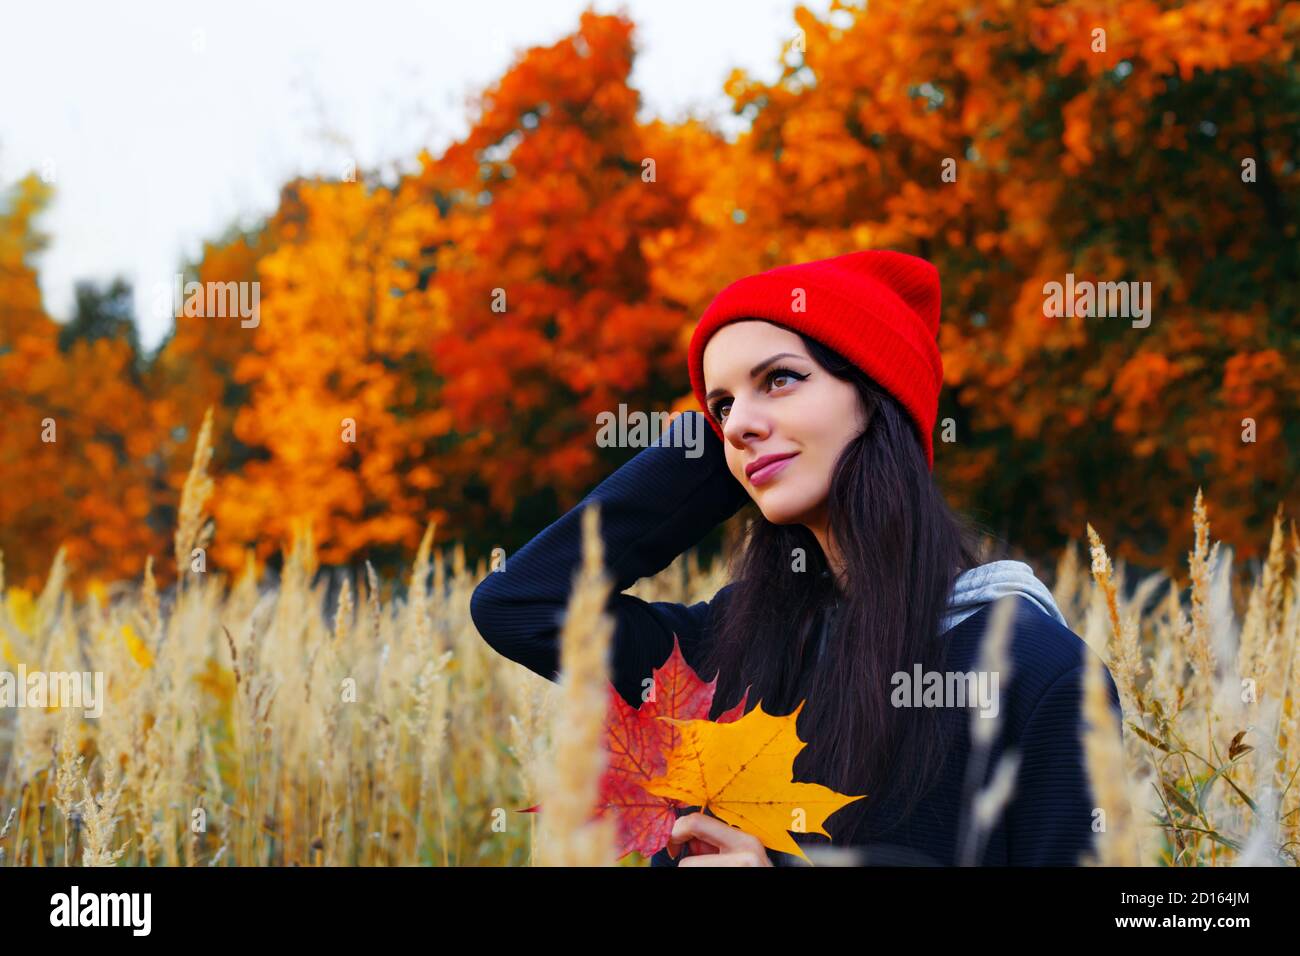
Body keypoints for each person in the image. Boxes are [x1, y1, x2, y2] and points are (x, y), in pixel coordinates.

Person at [470, 249, 1124, 867]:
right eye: (720, 405)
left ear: (877, 397)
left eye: (779, 379)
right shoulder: (723, 650)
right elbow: (520, 603)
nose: (737, 425)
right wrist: (729, 443)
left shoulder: (1036, 676)